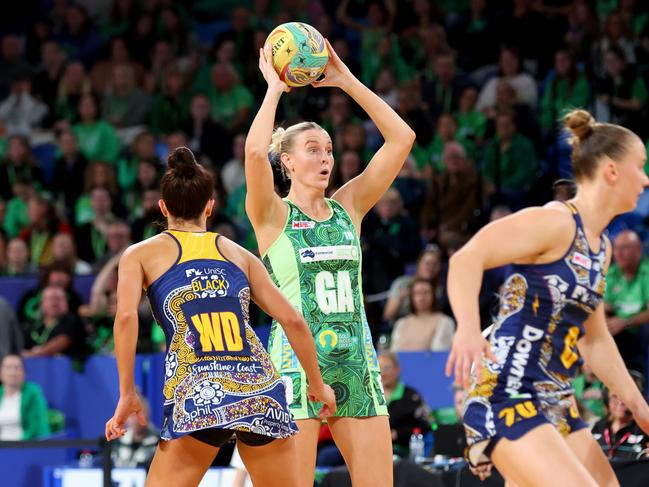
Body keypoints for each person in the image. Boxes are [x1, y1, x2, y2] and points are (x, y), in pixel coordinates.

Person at [105, 147, 336, 487]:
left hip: (201, 390)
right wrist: (317, 384)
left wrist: (127, 393)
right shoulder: (239, 254)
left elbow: (125, 319)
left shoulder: (140, 254)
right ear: (210, 207)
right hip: (258, 389)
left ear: (163, 207)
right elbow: (294, 321)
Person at [445, 108, 649, 486]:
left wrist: (640, 408)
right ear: (612, 171)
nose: (646, 179)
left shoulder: (601, 247)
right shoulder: (555, 221)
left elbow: (596, 338)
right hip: (506, 389)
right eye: (641, 166)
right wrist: (468, 329)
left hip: (554, 396)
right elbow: (466, 259)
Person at [244, 41, 415, 486]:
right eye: (313, 150)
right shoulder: (272, 215)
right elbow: (251, 154)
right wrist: (273, 90)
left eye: (329, 150)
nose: (325, 159)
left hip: (356, 363)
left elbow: (402, 138)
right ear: (287, 161)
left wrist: (344, 79)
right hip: (296, 368)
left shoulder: (349, 207)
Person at [591, 371, 649, 460]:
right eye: (614, 396)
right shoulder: (598, 427)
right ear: (607, 399)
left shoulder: (644, 428)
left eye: (624, 397)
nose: (620, 402)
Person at [390, 278, 455, 352]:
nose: (421, 298)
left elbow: (439, 352)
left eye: (426, 293)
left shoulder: (445, 321)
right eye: (417, 293)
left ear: (433, 295)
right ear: (411, 297)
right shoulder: (401, 323)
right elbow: (394, 353)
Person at [0, 354, 51, 440]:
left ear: (24, 373)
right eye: (8, 368)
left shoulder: (33, 393)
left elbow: (36, 427)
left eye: (17, 368)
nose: (13, 372)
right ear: (1, 373)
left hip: (24, 446)